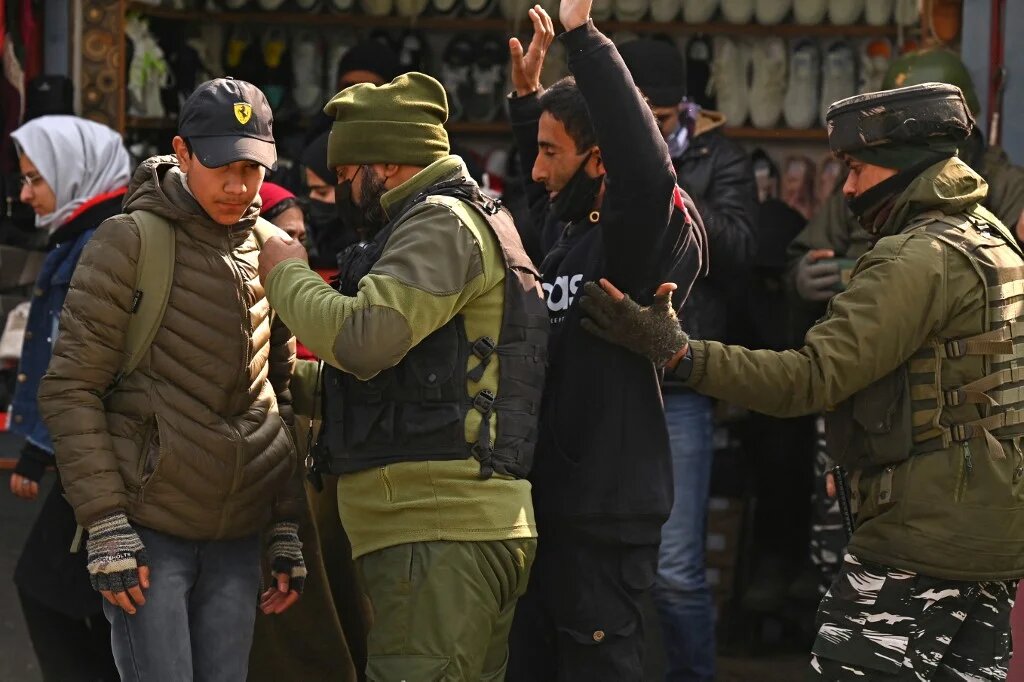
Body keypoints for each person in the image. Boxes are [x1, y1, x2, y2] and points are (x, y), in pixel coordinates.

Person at [579, 83, 1023, 681]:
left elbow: (808, 379)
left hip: (919, 544)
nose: (848, 189)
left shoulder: (914, 260)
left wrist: (679, 352)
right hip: (993, 543)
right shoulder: (994, 240)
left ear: (901, 165)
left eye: (857, 169)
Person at [257, 71, 548, 681]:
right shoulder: (454, 220)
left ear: (385, 164)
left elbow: (365, 341)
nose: (339, 190)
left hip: (437, 535)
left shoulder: (442, 223)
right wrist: (271, 378)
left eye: (344, 174)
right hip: (443, 535)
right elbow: (411, 381)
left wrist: (286, 271)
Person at [37, 78, 306, 682]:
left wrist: (285, 526)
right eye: (222, 167)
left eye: (251, 169)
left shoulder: (276, 252)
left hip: (239, 532)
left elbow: (279, 397)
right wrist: (106, 524)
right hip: (148, 529)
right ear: (182, 153)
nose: (238, 186)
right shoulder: (129, 240)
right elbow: (71, 387)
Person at [502, 4, 706, 680]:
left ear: (599, 157)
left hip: (603, 522)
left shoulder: (629, 244)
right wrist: (527, 105)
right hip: (549, 511)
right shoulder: (567, 234)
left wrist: (583, 40)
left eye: (550, 152)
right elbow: (540, 207)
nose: (536, 170)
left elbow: (647, 173)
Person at [786, 47, 1024, 593]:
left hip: (952, 412)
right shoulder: (873, 177)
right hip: (863, 378)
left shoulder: (1001, 188)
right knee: (839, 536)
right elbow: (809, 247)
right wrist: (804, 274)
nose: (850, 184)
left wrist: (684, 357)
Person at [620, 37, 757, 680]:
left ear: (682, 107)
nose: (650, 126)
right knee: (601, 557)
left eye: (661, 117)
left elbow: (744, 247)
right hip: (605, 376)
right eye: (640, 115)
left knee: (677, 570)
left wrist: (668, 186)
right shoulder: (598, 148)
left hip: (677, 380)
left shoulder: (717, 157)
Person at [6, 115, 130, 682]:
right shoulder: (80, 234)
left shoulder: (98, 242)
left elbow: (80, 361)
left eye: (36, 178)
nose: (25, 194)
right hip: (93, 448)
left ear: (73, 171)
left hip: (103, 451)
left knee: (59, 592)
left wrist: (40, 447)